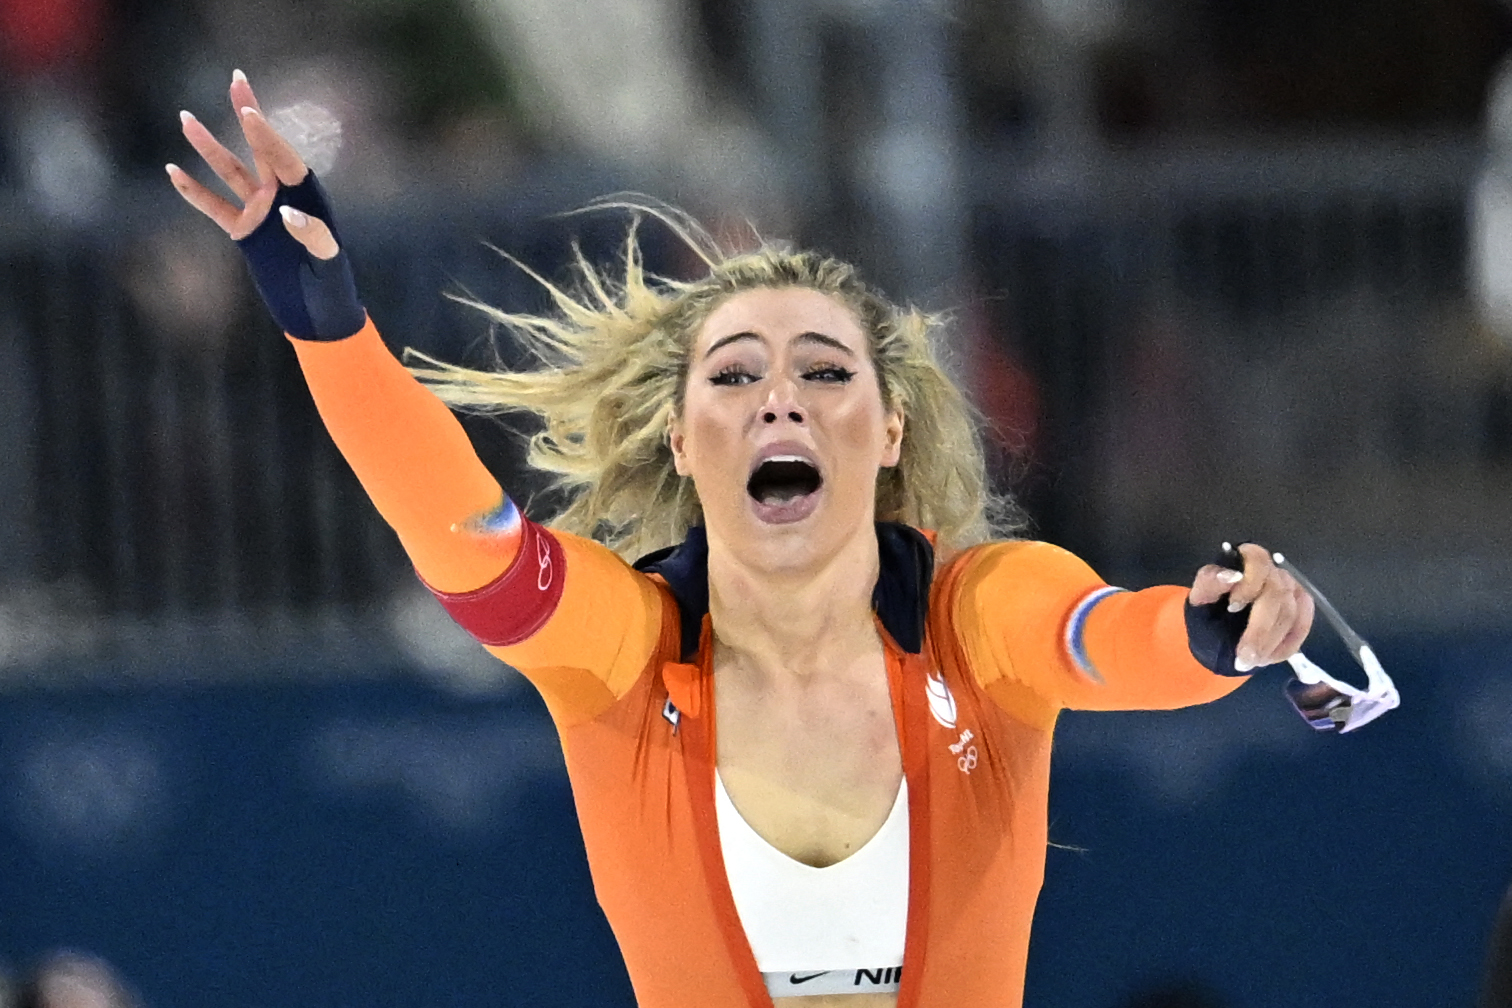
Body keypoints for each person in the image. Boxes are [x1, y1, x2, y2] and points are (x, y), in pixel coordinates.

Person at [166, 70, 1314, 1008]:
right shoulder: (624, 651)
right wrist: (330, 328)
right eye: (735, 375)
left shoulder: (981, 614)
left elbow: (1103, 641)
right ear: (678, 438)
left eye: (825, 370)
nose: (782, 401)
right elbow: (466, 540)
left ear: (890, 423)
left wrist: (1219, 632)